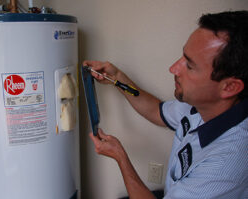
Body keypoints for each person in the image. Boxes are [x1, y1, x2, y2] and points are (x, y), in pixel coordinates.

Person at [83, 11, 248, 199]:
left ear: (229, 87)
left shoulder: (227, 164)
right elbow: (156, 111)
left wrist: (120, 157)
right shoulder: (201, 105)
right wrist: (117, 78)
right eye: (183, 57)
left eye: (190, 66)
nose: (173, 68)